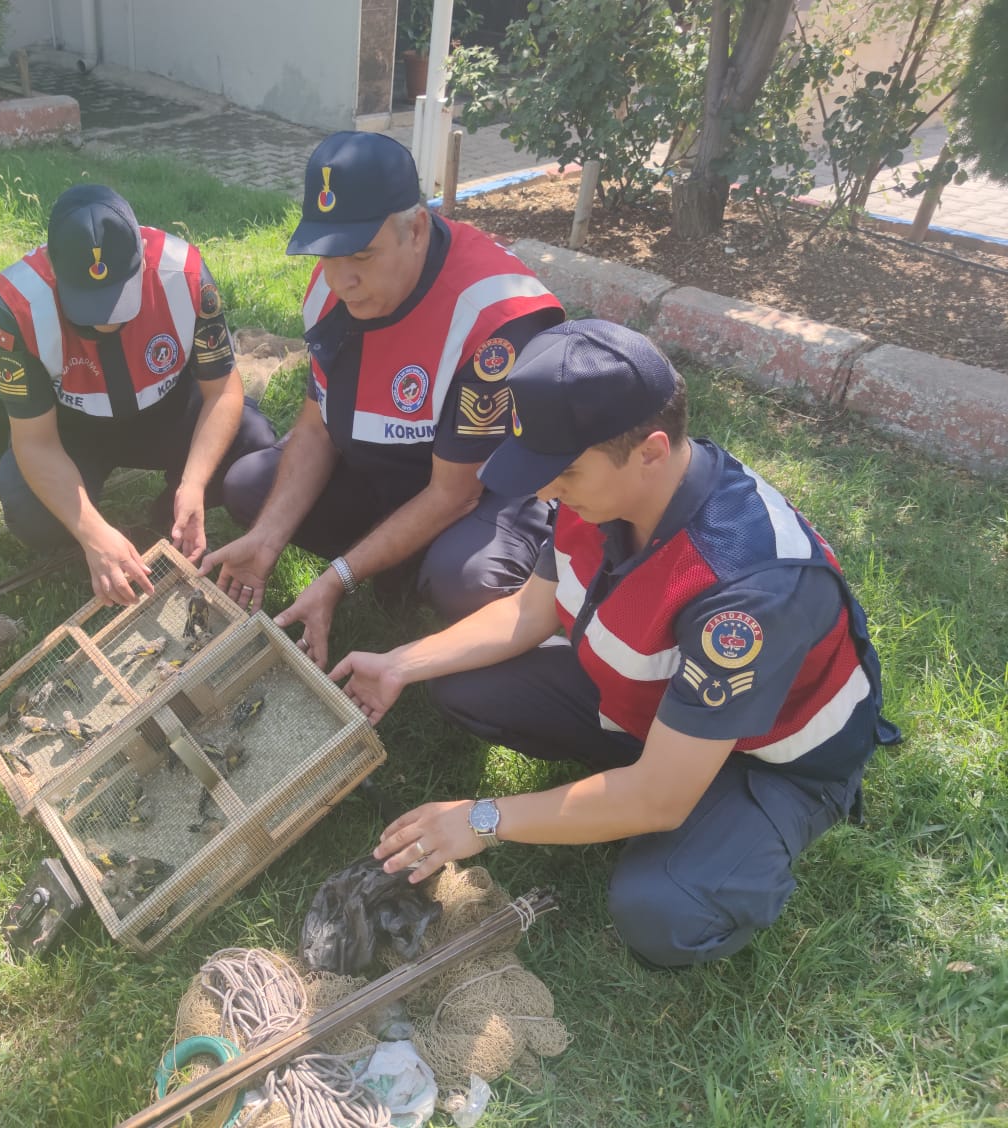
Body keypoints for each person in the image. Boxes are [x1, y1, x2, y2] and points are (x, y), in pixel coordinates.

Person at [332, 320, 899, 968]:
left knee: (661, 909)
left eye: (563, 474)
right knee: (459, 681)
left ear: (652, 451)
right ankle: (619, 786)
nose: (546, 492)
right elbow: (530, 609)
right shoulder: (603, 490)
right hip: (665, 711)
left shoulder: (747, 593)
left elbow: (660, 797)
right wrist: (402, 663)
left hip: (770, 761)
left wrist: (483, 819)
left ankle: (745, 843)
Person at [202, 132, 565, 668]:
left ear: (416, 229)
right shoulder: (334, 286)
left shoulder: (492, 320)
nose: (341, 280)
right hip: (391, 471)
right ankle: (391, 563)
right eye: (326, 254)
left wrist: (338, 577)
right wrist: (267, 538)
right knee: (249, 488)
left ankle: (455, 583)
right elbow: (319, 424)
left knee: (466, 579)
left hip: (480, 493)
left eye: (362, 255)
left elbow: (454, 495)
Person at [0, 184, 276, 604]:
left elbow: (222, 391)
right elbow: (34, 440)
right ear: (53, 268)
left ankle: (169, 511)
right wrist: (93, 532)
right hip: (72, 426)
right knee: (29, 510)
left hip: (169, 408)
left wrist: (194, 483)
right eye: (87, 303)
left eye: (118, 298)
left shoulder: (186, 273)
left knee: (255, 442)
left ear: (143, 259)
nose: (105, 320)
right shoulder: (16, 307)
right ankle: (97, 540)